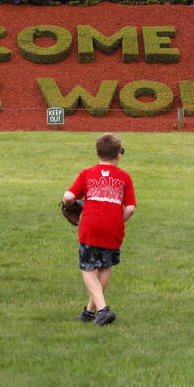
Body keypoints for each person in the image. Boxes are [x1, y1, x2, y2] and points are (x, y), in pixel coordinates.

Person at [62, 132, 136, 325]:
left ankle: (103, 310)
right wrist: (118, 220)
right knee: (104, 267)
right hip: (114, 227)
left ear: (97, 153)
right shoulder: (124, 177)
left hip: (91, 226)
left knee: (88, 269)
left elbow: (69, 197)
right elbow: (130, 208)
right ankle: (89, 313)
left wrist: (68, 201)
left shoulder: (87, 173)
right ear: (118, 155)